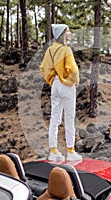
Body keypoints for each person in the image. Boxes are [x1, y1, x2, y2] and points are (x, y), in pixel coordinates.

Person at [39, 24, 82, 161]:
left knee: (54, 118)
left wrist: (52, 80)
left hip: (55, 85)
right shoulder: (66, 50)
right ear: (63, 35)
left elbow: (43, 68)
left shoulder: (50, 50)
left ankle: (53, 151)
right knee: (69, 118)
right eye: (68, 32)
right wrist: (75, 80)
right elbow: (73, 69)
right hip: (67, 85)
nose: (70, 34)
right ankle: (70, 151)